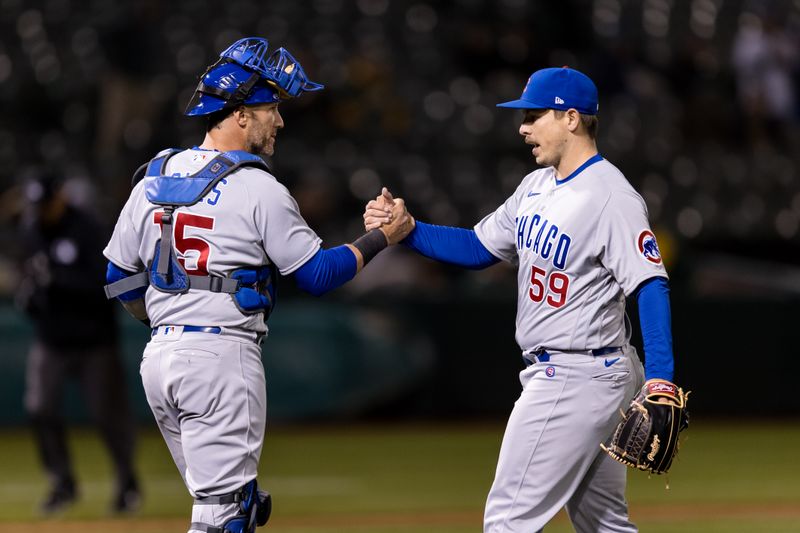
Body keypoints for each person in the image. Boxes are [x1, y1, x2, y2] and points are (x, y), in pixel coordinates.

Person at [102, 37, 413, 533]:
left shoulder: (154, 176)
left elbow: (118, 278)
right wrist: (382, 237)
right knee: (223, 517)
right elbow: (317, 275)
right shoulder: (257, 186)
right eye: (271, 107)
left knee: (235, 504)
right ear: (241, 114)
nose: (280, 120)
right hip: (221, 360)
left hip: (160, 361)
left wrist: (168, 319)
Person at [364, 67, 678, 532]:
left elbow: (650, 283)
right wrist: (408, 230)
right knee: (604, 523)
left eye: (534, 115)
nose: (523, 127)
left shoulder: (611, 196)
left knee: (508, 519)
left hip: (576, 375)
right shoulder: (536, 187)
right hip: (587, 372)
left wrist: (662, 381)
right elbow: (477, 247)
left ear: (571, 118)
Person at [15, 172, 140, 515]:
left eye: (46, 203)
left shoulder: (87, 228)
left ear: (61, 197)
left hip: (93, 340)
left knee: (106, 414)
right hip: (52, 340)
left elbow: (106, 285)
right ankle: (62, 483)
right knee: (40, 407)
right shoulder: (32, 231)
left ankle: (127, 482)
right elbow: (30, 282)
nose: (41, 211)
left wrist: (58, 281)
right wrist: (30, 297)